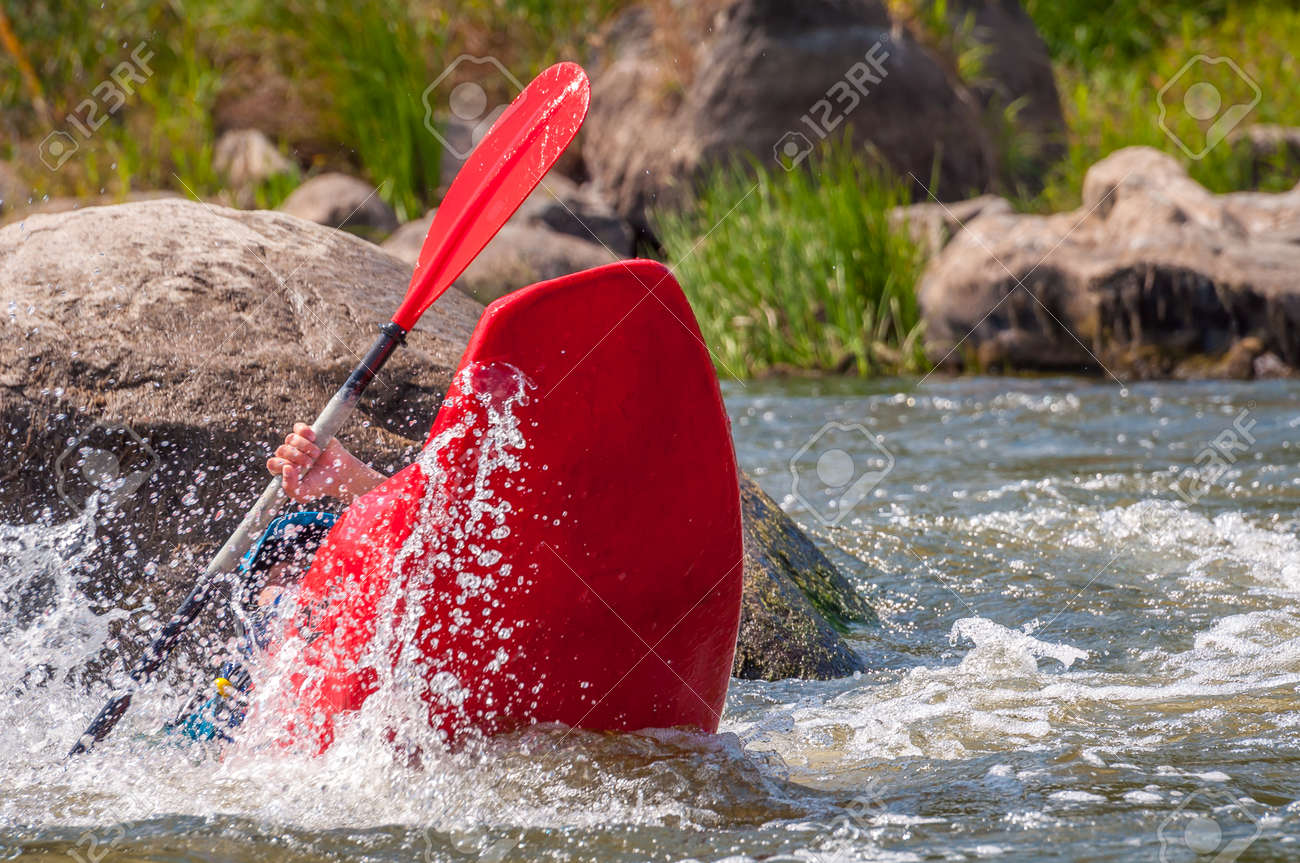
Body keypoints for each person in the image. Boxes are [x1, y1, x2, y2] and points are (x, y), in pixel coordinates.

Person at [168, 424, 384, 743]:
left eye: (312, 568)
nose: (302, 584)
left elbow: (427, 537)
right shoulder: (222, 708)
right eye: (282, 576)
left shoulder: (375, 629)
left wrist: (350, 477)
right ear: (251, 606)